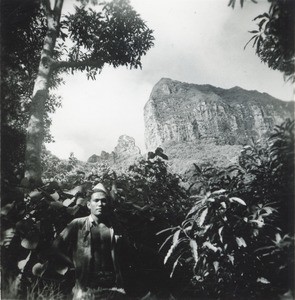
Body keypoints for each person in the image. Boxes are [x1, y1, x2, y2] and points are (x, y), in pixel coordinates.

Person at [53, 186, 125, 299]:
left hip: (111, 285)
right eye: (96, 200)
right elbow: (56, 247)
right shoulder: (78, 224)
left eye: (104, 201)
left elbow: (124, 254)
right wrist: (73, 265)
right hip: (85, 285)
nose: (100, 204)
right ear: (88, 205)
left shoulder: (115, 226)